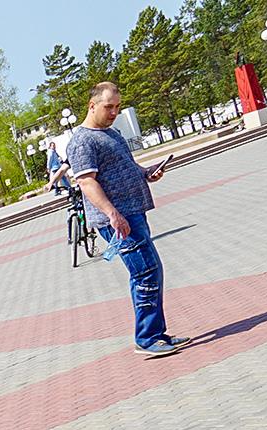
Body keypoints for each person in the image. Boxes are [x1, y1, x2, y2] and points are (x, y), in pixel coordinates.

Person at [69, 82, 184, 358]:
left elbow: (127, 167)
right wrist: (112, 214)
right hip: (117, 220)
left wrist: (146, 173)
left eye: (118, 107)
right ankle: (146, 338)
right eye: (109, 107)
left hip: (133, 211)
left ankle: (156, 333)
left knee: (149, 270)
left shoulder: (112, 134)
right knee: (145, 271)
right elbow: (87, 182)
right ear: (92, 105)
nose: (114, 112)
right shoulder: (83, 141)